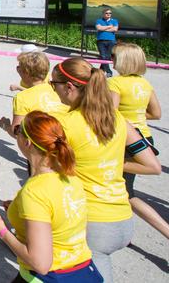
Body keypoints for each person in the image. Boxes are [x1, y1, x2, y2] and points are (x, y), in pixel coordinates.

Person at [49, 57, 160, 282]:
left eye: (54, 85)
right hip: (122, 218)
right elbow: (153, 166)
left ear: (69, 87)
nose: (54, 90)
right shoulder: (118, 119)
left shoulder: (66, 123)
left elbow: (46, 168)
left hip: (92, 222)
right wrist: (109, 161)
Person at [0, 111, 103, 282]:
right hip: (82, 271)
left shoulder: (34, 191)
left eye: (19, 130)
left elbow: (40, 263)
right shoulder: (72, 178)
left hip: (48, 276)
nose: (16, 132)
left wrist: (3, 232)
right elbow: (62, 216)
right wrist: (21, 208)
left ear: (27, 142)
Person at [108, 43, 167, 239]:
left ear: (123, 61)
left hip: (124, 139)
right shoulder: (144, 84)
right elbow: (156, 113)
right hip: (144, 137)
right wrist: (134, 115)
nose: (111, 60)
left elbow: (111, 115)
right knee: (124, 189)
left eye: (114, 57)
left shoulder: (115, 83)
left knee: (125, 191)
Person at [0, 51, 67, 136]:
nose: (17, 70)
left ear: (26, 73)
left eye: (18, 68)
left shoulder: (21, 98)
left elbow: (17, 133)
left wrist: (6, 126)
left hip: (45, 143)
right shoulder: (56, 88)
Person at [95, 8, 118, 77]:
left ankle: (100, 71)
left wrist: (103, 29)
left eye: (110, 13)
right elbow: (99, 28)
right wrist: (109, 27)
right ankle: (109, 71)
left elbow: (115, 29)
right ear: (103, 14)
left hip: (111, 41)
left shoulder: (114, 21)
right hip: (101, 41)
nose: (108, 14)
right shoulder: (99, 20)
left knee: (107, 57)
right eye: (107, 13)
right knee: (103, 56)